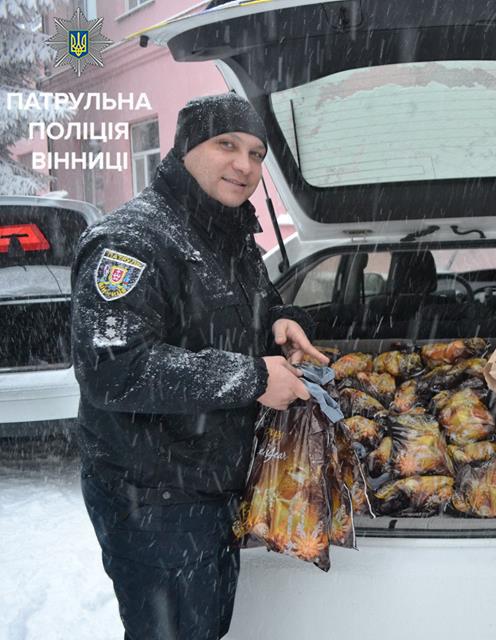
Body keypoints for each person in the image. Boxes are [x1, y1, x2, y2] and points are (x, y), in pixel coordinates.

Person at [70, 92, 327, 640]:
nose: (245, 165)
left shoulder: (227, 231)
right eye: (226, 145)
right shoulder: (132, 241)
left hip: (209, 486)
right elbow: (112, 368)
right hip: (154, 498)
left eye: (257, 154)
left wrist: (280, 320)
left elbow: (239, 309)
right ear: (186, 147)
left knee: (204, 626)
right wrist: (253, 378)